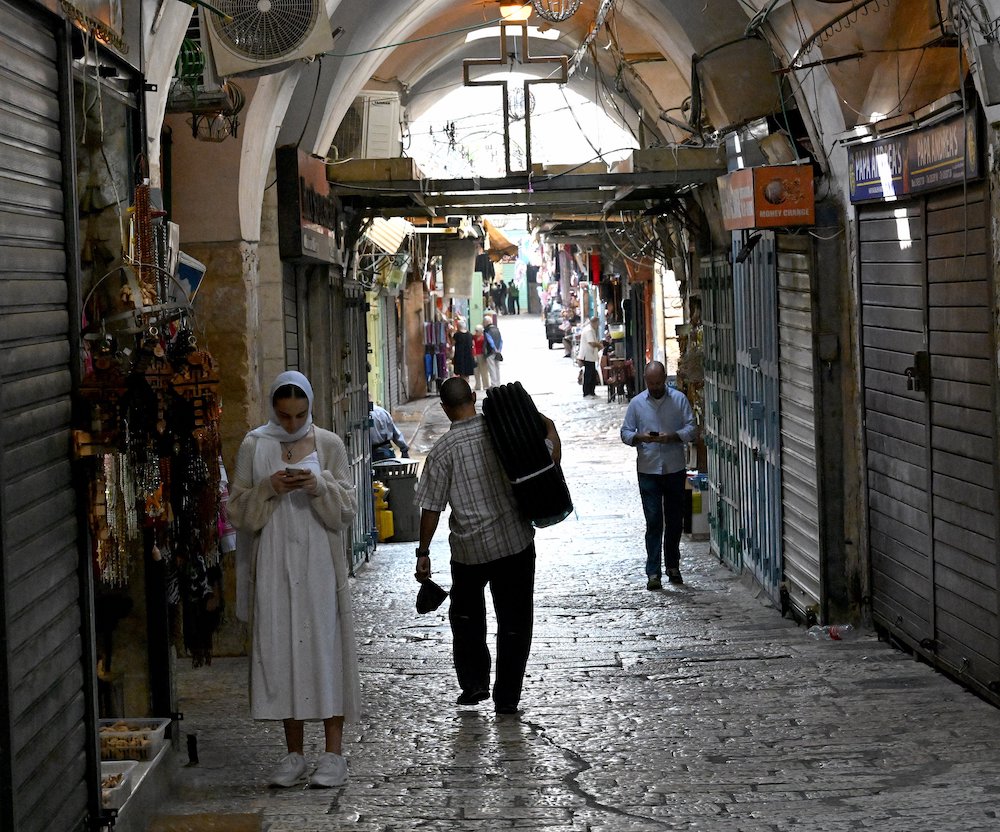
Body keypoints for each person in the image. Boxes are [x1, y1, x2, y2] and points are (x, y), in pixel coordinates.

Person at [228, 371, 361, 788]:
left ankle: (334, 754)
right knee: (285, 650)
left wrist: (317, 484)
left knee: (325, 648)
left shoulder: (329, 444)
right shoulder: (255, 444)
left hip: (320, 564)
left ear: (310, 407)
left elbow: (347, 508)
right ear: (273, 409)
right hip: (274, 564)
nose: (291, 423)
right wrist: (269, 487)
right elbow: (236, 510)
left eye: (299, 415)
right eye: (284, 416)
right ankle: (294, 753)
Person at [413, 377, 561, 715]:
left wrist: (423, 553)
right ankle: (507, 697)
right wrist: (549, 425)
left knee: (466, 620)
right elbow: (551, 455)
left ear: (444, 407)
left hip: (469, 551)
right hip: (514, 543)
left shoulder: (442, 452)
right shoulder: (503, 432)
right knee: (516, 621)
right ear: (474, 397)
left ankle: (475, 683)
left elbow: (431, 507)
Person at [620, 361, 698, 590]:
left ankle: (673, 566)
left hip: (674, 468)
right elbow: (625, 432)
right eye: (650, 383)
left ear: (665, 378)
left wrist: (673, 437)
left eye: (658, 382)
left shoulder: (679, 400)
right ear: (645, 381)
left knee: (675, 521)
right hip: (648, 469)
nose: (655, 387)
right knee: (654, 521)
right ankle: (653, 572)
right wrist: (640, 437)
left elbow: (692, 428)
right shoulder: (636, 404)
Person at [576, 315, 602, 398]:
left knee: (592, 374)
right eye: (597, 323)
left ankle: (591, 392)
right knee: (588, 374)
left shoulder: (591, 329)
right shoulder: (589, 330)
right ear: (594, 323)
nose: (598, 325)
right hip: (587, 356)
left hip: (590, 356)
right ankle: (587, 392)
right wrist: (600, 345)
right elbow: (591, 342)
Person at [451, 318, 475, 383]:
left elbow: (452, 344)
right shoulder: (470, 335)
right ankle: (467, 384)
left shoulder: (457, 335)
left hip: (460, 356)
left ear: (458, 326)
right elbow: (473, 344)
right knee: (467, 373)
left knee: (461, 373)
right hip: (468, 356)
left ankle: (464, 385)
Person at [483, 314, 503, 387]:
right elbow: (501, 340)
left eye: (483, 322)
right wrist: (499, 350)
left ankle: (494, 384)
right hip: (498, 352)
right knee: (497, 367)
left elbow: (489, 340)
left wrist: (494, 348)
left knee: (492, 368)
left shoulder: (487, 330)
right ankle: (498, 382)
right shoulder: (496, 329)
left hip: (490, 352)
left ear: (486, 322)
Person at [472, 324, 489, 391]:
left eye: (477, 331)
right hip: (475, 355)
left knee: (484, 371)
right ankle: (478, 385)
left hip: (482, 355)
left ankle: (486, 385)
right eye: (475, 330)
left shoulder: (484, 337)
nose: (476, 332)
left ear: (481, 331)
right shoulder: (474, 337)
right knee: (476, 371)